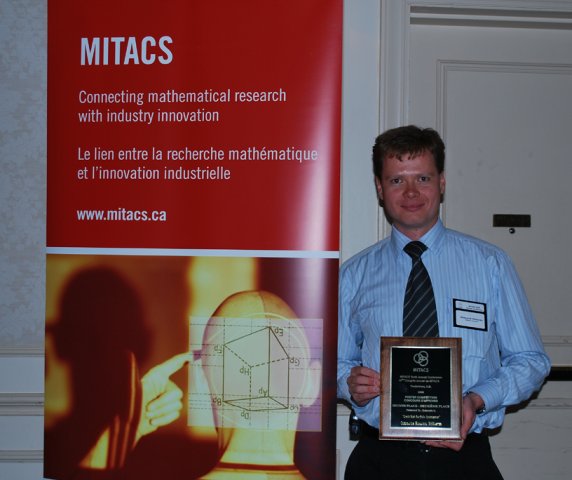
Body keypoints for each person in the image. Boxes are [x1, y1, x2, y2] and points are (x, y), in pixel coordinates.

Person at [337, 125, 551, 479]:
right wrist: (349, 382)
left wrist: (477, 399)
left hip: (464, 461)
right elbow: (335, 363)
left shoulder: (490, 264)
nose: (411, 192)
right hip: (379, 462)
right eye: (396, 180)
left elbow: (531, 360)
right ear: (379, 188)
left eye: (422, 178)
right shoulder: (354, 275)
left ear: (442, 182)